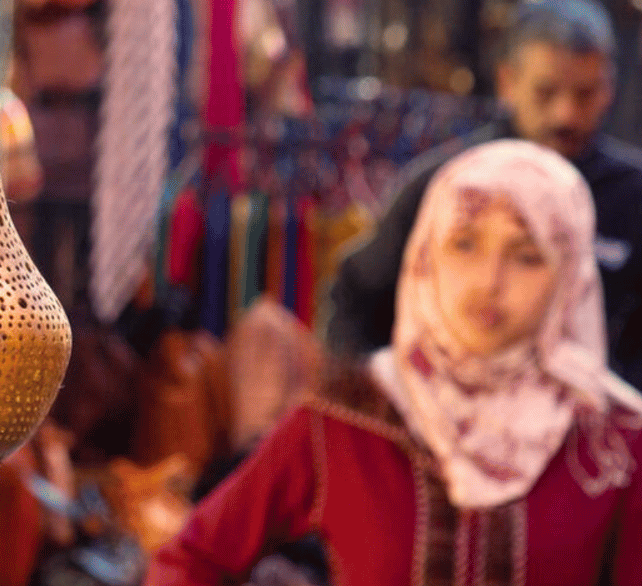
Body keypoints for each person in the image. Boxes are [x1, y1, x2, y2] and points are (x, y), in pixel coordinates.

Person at [147, 141, 642, 586]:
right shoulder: (346, 420)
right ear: (426, 255)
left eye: (527, 255)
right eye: (464, 244)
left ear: (570, 276)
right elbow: (193, 558)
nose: (489, 281)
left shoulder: (614, 444)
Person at [328, 0, 642, 388]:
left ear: (608, 89)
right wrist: (382, 406)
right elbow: (356, 297)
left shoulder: (633, 198)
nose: (566, 114)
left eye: (584, 94)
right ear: (508, 81)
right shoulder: (446, 185)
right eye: (545, 93)